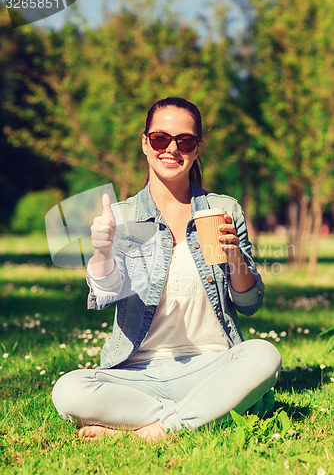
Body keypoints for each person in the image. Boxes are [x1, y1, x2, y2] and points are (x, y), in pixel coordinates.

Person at [52, 97, 282, 442]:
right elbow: (105, 292)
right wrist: (101, 250)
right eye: (160, 138)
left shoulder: (224, 210)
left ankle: (150, 430)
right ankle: (206, 413)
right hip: (138, 372)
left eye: (185, 140)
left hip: (212, 364)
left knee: (264, 354)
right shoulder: (123, 216)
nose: (171, 148)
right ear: (145, 143)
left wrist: (235, 256)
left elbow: (249, 304)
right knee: (69, 390)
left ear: (196, 148)